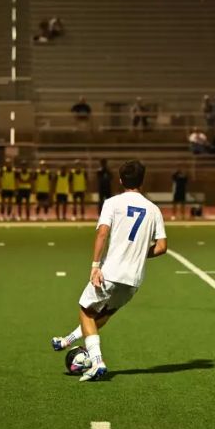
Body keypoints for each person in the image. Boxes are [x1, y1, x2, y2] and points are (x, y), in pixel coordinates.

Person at [51, 160, 167, 382]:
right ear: (142, 181)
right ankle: (67, 340)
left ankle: (97, 361)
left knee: (86, 311)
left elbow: (102, 233)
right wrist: (140, 252)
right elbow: (161, 247)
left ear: (121, 180)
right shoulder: (154, 210)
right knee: (104, 314)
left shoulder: (112, 203)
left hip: (111, 271)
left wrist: (95, 265)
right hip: (134, 278)